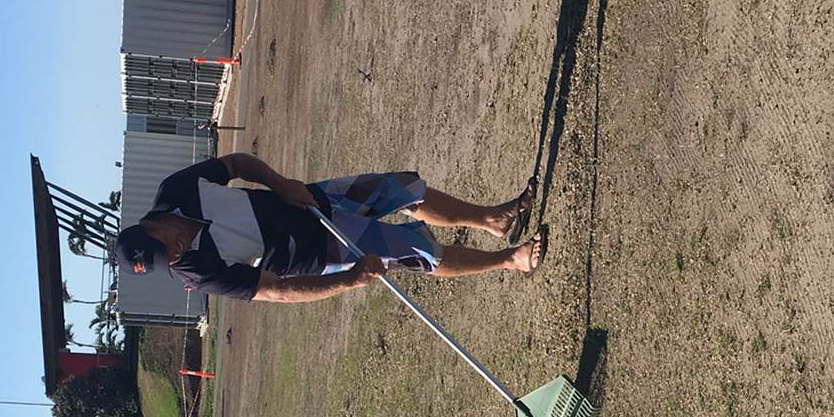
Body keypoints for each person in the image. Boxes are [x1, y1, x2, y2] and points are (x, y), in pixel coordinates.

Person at [114, 152, 545, 303]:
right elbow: (277, 291)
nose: (174, 254)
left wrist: (282, 184)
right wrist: (350, 280)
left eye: (164, 246)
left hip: (310, 200)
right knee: (418, 250)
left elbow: (237, 164)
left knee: (404, 189)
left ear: (149, 223)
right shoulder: (196, 271)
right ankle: (511, 259)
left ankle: (492, 220)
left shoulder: (176, 189)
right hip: (321, 246)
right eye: (166, 261)